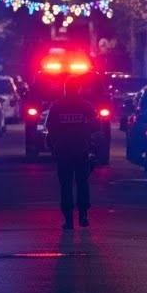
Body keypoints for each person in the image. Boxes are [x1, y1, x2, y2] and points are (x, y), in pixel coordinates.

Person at [46, 78, 98, 229]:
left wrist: (55, 143)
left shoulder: (57, 106)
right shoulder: (85, 106)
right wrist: (86, 135)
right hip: (82, 150)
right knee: (82, 183)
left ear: (65, 89)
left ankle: (68, 220)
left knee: (66, 185)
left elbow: (50, 126)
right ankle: (83, 216)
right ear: (79, 90)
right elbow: (97, 124)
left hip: (63, 151)